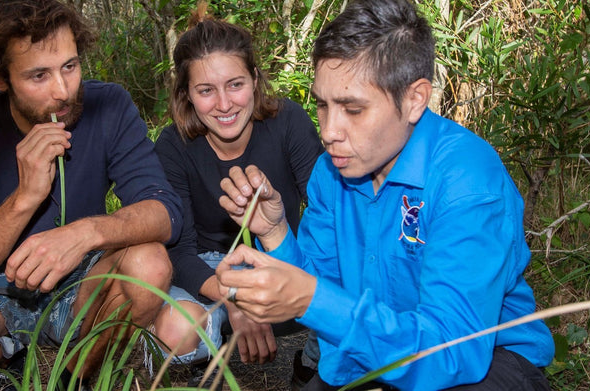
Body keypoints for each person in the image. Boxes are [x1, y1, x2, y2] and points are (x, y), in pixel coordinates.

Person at [214, 0, 555, 390]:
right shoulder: (332, 172)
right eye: (322, 106)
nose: (329, 132)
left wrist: (314, 301)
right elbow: (319, 288)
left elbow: (452, 350)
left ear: (414, 99)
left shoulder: (466, 182)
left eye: (353, 110)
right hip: (369, 352)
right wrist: (274, 232)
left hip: (481, 363)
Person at [0, 0, 182, 388]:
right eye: (38, 76)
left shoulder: (109, 105)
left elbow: (166, 211)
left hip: (81, 282)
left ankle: (76, 376)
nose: (63, 91)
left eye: (70, 66)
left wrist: (84, 234)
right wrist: (25, 198)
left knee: (150, 264)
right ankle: (3, 355)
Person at [150, 5, 324, 388]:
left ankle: (316, 362)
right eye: (206, 91)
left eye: (235, 84)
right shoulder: (173, 146)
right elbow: (176, 251)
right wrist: (231, 297)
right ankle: (206, 356)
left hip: (285, 260)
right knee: (177, 330)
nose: (225, 104)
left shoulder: (289, 122)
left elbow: (331, 212)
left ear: (255, 79)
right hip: (209, 273)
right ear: (187, 96)